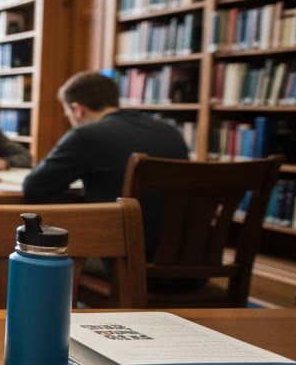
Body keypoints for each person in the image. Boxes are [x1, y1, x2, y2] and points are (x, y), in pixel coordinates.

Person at [22, 70, 189, 263]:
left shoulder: (86, 135)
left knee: (46, 252)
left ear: (78, 109)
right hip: (186, 265)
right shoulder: (171, 132)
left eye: (68, 115)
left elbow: (33, 187)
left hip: (127, 266)